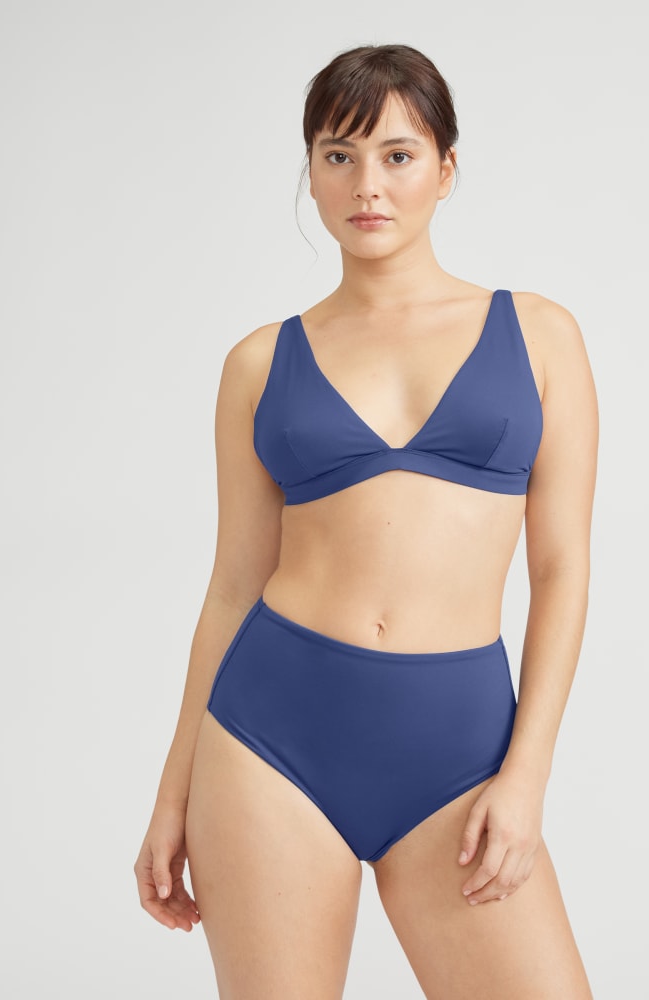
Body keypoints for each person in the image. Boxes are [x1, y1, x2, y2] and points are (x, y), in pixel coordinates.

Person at [134, 43, 599, 999]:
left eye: (397, 155)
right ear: (310, 172)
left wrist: (527, 775)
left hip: (462, 752)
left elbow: (562, 569)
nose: (366, 186)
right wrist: (172, 793)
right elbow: (232, 587)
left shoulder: (540, 336)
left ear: (446, 170)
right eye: (338, 156)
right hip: (268, 744)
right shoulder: (258, 363)